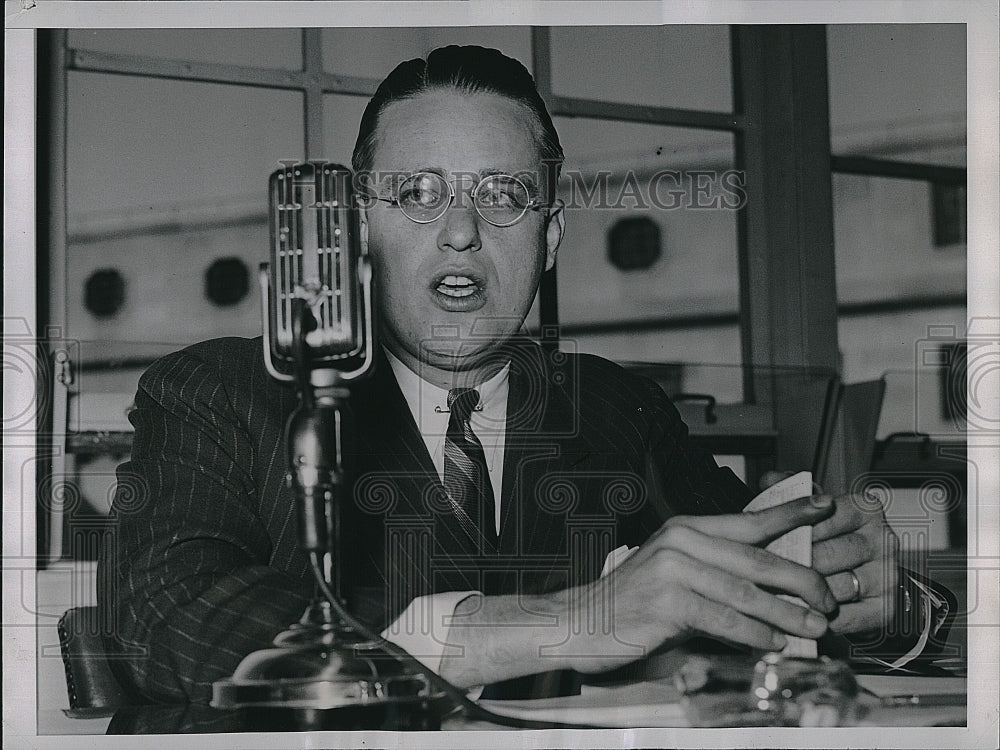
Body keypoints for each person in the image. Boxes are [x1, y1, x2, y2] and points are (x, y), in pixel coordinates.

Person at [99, 45, 950, 705]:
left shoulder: (620, 410)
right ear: (360, 228)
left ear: (547, 238)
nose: (463, 230)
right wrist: (570, 623)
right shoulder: (227, 393)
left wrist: (881, 603)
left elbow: (770, 588)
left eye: (504, 195)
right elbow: (168, 614)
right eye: (419, 194)